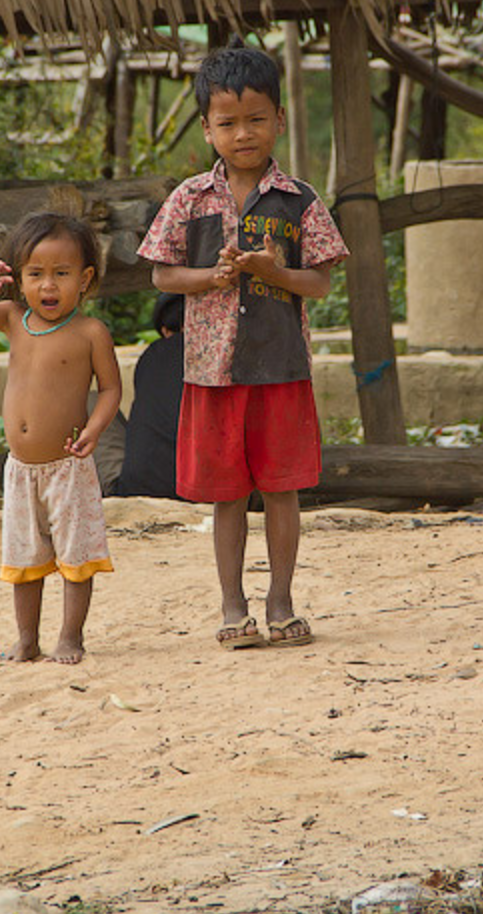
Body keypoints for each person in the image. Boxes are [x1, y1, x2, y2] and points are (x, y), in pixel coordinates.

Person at [138, 40, 348, 650]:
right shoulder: (188, 199)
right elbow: (161, 275)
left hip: (280, 368)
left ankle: (280, 601)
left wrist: (272, 271)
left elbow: (322, 282)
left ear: (279, 120)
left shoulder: (298, 200)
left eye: (257, 119)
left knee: (282, 489)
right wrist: (213, 278)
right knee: (228, 495)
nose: (244, 134)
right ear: (207, 128)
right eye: (228, 123)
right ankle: (233, 607)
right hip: (212, 373)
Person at [0, 212, 123, 664]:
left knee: (75, 556)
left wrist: (95, 428)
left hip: (69, 466)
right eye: (36, 275)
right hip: (21, 470)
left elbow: (111, 390)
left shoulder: (90, 333)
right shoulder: (11, 320)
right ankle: (27, 639)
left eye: (61, 274)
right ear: (18, 280)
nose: (48, 286)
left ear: (84, 279)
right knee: (24, 558)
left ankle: (70, 636)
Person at [110, 292, 184, 499]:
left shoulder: (153, 354)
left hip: (139, 488)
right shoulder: (226, 356)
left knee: (91, 402)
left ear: (164, 330)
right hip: (215, 489)